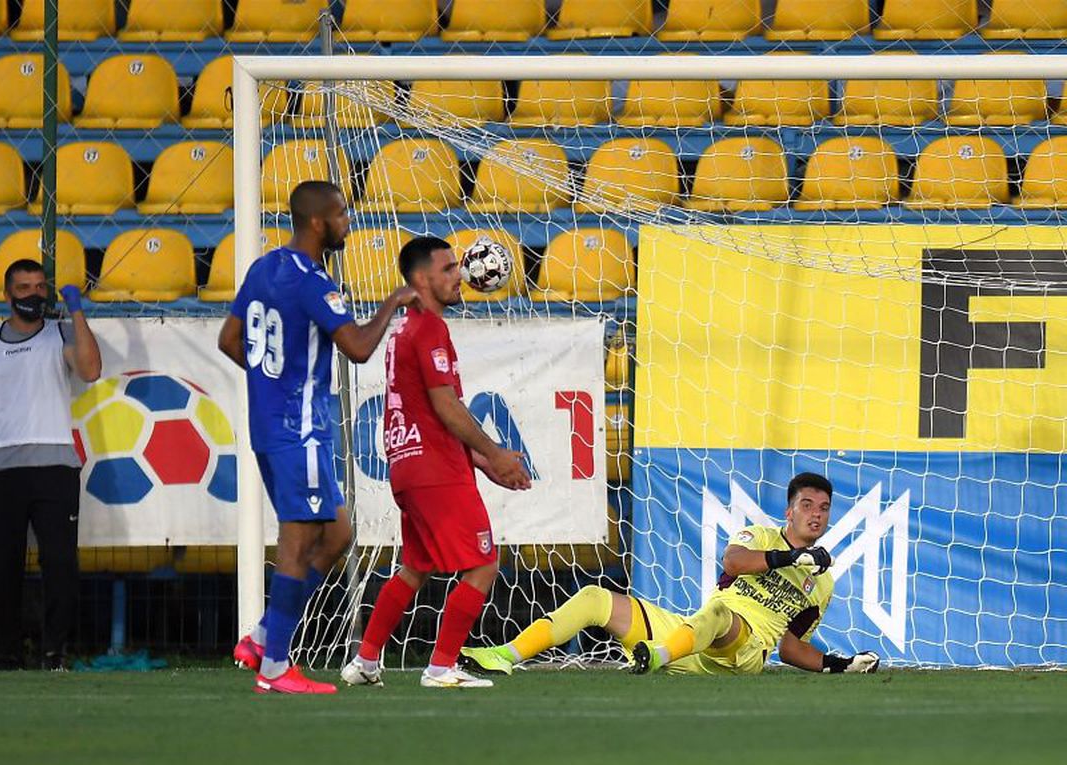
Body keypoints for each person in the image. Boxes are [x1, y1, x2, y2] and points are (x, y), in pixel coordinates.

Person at [218, 181, 420, 695]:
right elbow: (356, 348)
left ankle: (263, 638)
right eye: (342, 214)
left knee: (337, 534)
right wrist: (394, 302)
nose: (347, 222)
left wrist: (269, 380)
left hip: (273, 425)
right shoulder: (313, 282)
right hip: (298, 429)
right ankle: (274, 668)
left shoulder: (264, 268)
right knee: (300, 538)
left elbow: (228, 339)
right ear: (318, 222)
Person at [340, 236, 532, 690]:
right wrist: (494, 453)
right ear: (423, 279)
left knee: (415, 567)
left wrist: (478, 462)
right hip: (434, 469)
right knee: (483, 563)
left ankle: (365, 662)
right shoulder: (429, 330)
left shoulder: (404, 331)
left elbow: (426, 410)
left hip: (409, 465)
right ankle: (442, 667)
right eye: (449, 268)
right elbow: (446, 407)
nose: (461, 273)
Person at [461, 472, 881, 677]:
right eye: (807, 505)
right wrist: (790, 559)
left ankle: (655, 658)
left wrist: (838, 664)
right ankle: (506, 655)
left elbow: (791, 647)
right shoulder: (761, 536)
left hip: (743, 652)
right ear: (789, 510)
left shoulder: (822, 583)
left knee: (717, 615)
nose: (816, 514)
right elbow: (733, 562)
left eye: (823, 509)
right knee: (594, 598)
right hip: (692, 639)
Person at [0, 260, 102, 670]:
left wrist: (78, 311)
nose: (33, 294)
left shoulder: (62, 333)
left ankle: (55, 651)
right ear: (7, 294)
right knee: (2, 567)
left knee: (60, 562)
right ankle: (8, 652)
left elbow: (90, 369)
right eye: (23, 287)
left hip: (54, 468)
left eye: (39, 286)